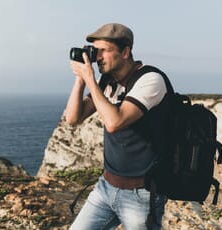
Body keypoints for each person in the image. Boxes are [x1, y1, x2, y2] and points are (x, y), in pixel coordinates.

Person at [65, 23, 170, 230]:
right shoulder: (106, 82)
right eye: (96, 51)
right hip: (106, 187)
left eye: (103, 50)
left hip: (141, 194)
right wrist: (81, 80)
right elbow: (73, 118)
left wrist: (90, 79)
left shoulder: (150, 80)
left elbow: (115, 122)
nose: (98, 57)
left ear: (125, 52)